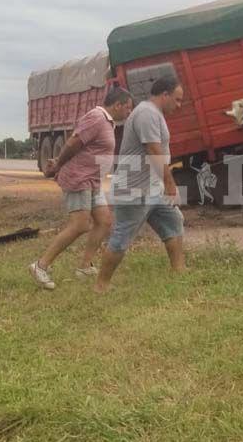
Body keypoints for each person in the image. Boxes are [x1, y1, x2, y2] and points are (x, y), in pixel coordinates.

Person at [29, 87, 133, 290]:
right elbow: (73, 142)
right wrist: (58, 164)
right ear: (117, 105)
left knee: (104, 221)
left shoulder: (107, 122)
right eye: (128, 108)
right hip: (79, 178)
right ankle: (40, 266)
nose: (129, 112)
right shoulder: (97, 117)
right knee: (80, 225)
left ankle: (85, 266)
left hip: (93, 180)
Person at [96, 76, 186, 293]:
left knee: (174, 221)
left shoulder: (154, 114)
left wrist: (163, 185)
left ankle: (179, 271)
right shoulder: (147, 114)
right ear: (164, 95)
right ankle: (101, 285)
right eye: (177, 99)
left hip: (152, 188)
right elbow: (153, 150)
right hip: (134, 190)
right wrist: (170, 184)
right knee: (121, 238)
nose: (179, 105)